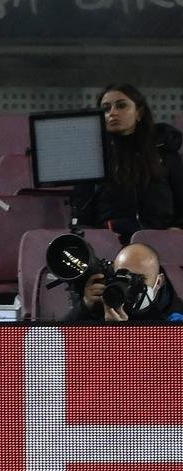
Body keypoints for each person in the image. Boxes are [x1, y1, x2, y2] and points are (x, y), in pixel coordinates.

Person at [72, 83, 183, 244]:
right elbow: (82, 212)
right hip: (110, 243)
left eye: (121, 106)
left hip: (161, 241)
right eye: (106, 109)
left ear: (139, 112)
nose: (113, 113)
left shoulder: (165, 154)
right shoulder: (93, 157)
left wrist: (177, 228)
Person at [62, 242, 183, 323]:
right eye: (122, 276)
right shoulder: (105, 298)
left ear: (159, 282)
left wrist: (121, 334)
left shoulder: (175, 316)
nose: (128, 286)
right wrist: (84, 307)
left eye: (139, 279)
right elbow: (57, 347)